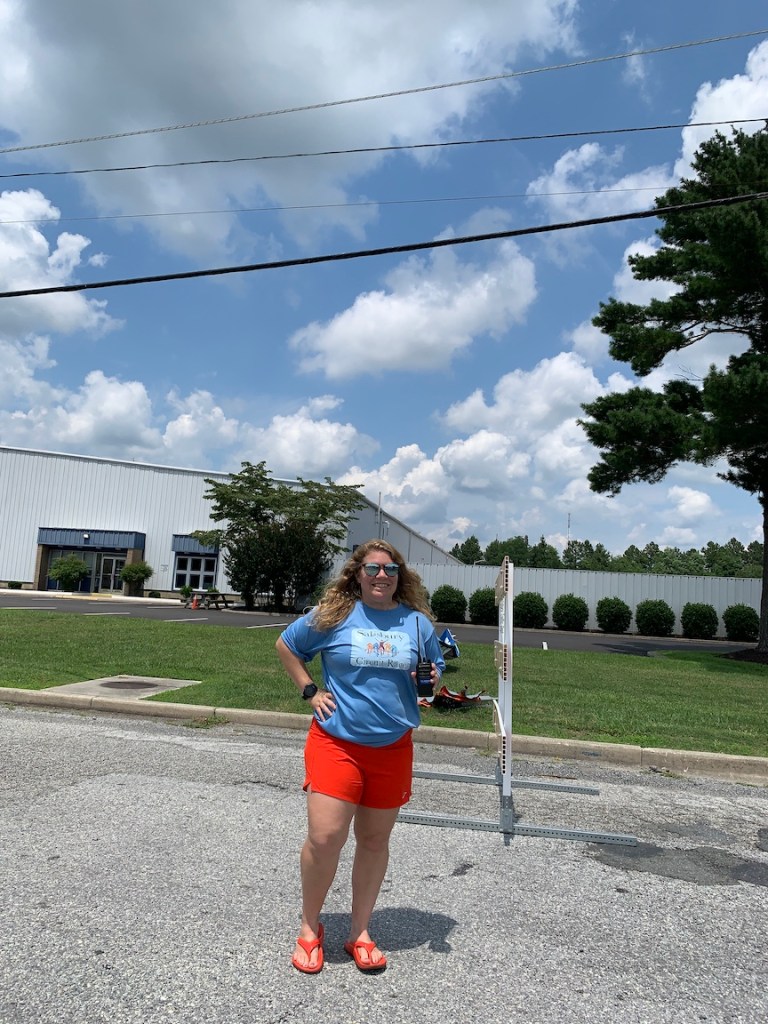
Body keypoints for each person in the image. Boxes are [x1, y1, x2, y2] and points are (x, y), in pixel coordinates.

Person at [276, 539, 445, 974]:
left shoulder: (416, 623)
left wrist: (429, 678)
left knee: (374, 840)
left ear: (400, 577)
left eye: (390, 570)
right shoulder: (335, 615)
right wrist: (310, 690)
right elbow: (287, 645)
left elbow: (435, 669)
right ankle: (310, 929)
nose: (382, 576)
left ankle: (360, 932)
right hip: (337, 742)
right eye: (372, 569)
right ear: (356, 574)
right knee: (326, 836)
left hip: (392, 748)